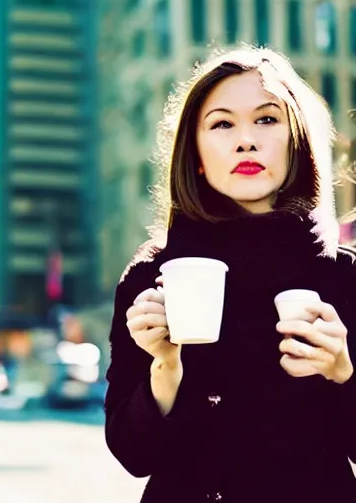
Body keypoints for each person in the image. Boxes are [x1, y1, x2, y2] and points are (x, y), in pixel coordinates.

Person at [104, 46, 356, 503]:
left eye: (266, 119)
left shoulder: (344, 277)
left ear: (296, 140)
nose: (246, 141)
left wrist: (342, 372)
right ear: (195, 153)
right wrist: (165, 364)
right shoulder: (152, 277)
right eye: (222, 123)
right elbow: (132, 454)